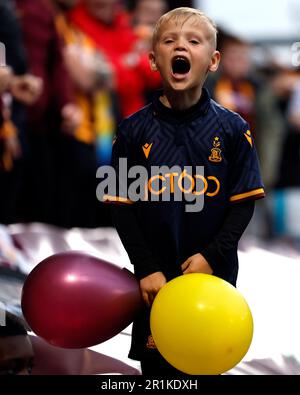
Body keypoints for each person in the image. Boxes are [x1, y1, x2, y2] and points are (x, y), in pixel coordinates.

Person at [108, 7, 265, 375]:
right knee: (158, 374)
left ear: (212, 61)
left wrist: (211, 256)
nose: (181, 47)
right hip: (154, 285)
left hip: (212, 281)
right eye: (169, 41)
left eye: (193, 41)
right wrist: (145, 267)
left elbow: (243, 206)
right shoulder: (131, 131)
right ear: (152, 60)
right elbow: (120, 207)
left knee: (205, 364)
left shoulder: (232, 129)